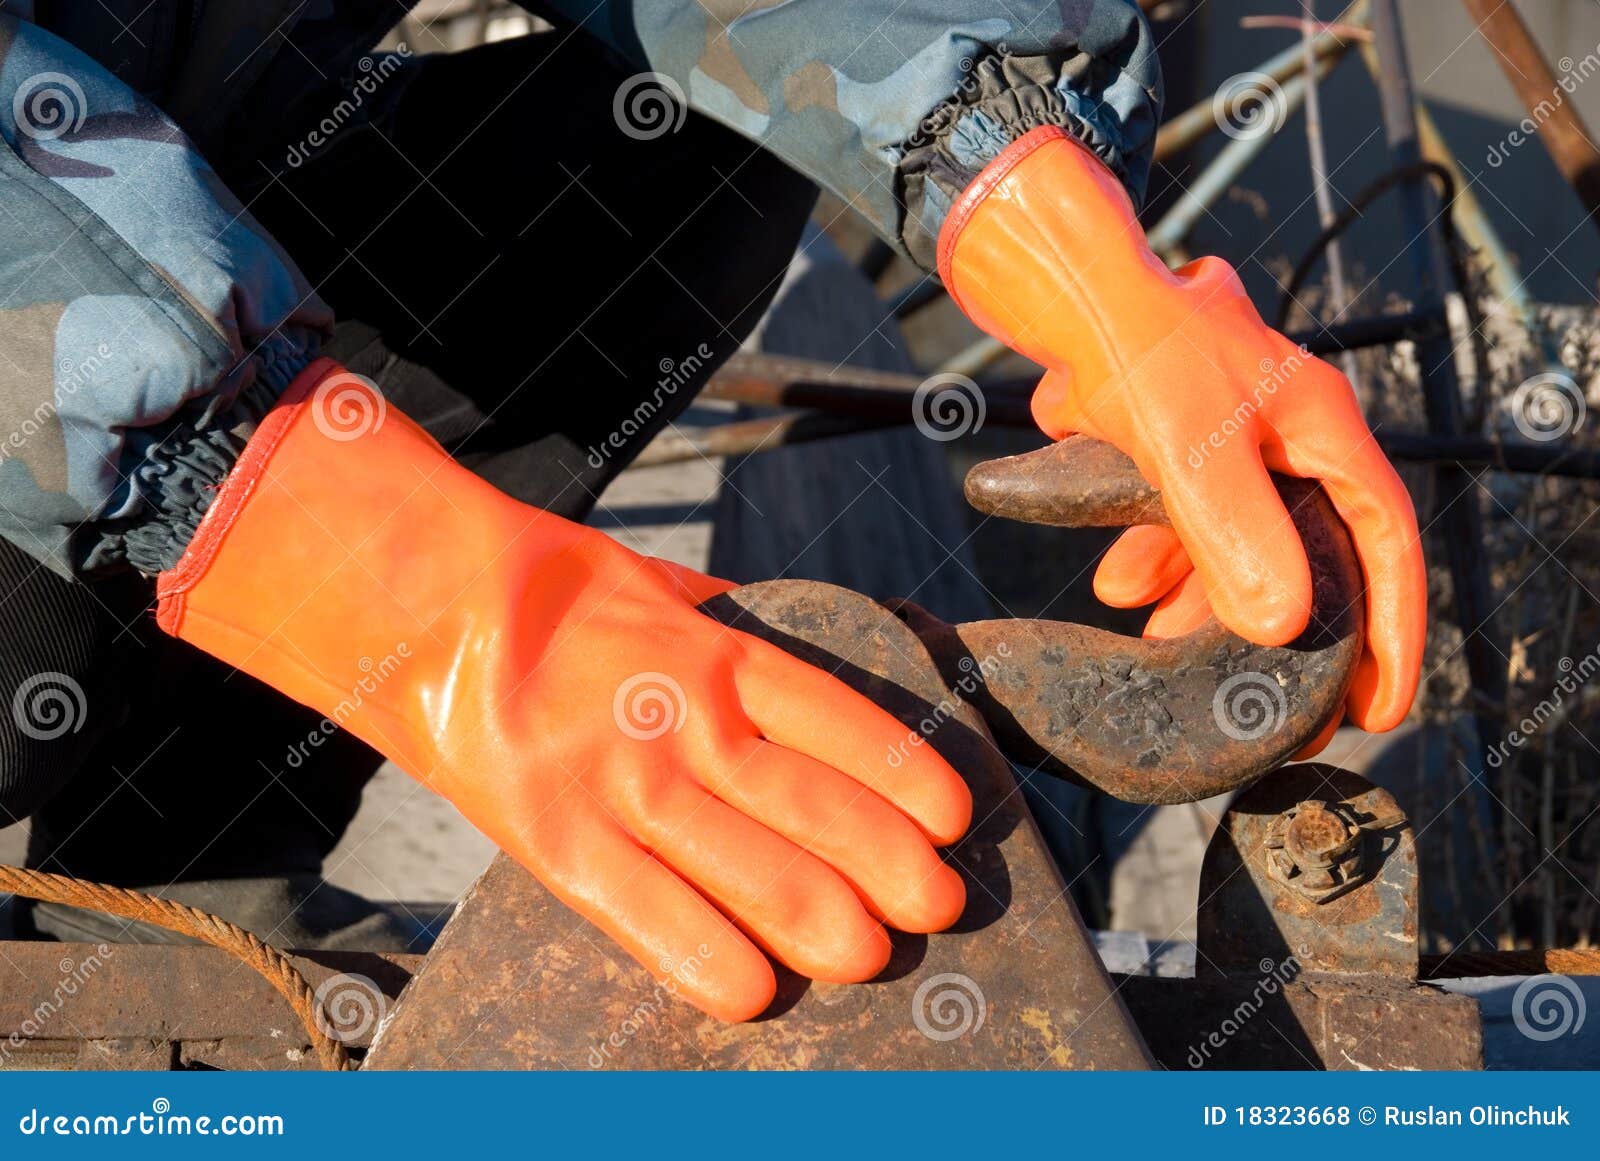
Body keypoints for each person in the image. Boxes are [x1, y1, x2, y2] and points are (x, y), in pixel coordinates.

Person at [0, 2, 1423, 1022]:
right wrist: (418, 589)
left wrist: (1038, 207)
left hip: (171, 302)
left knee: (699, 129)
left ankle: (194, 862)